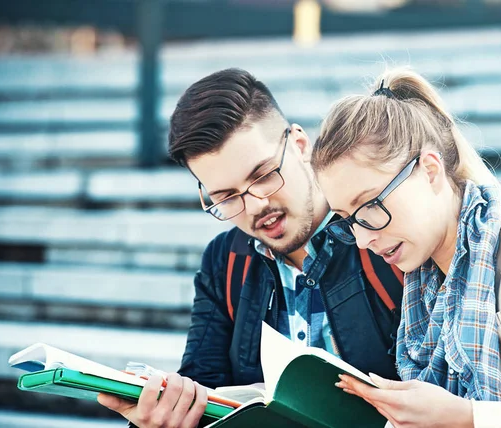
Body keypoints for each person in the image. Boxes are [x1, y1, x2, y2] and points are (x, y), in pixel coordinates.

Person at [98, 68, 403, 428]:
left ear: (301, 145)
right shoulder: (225, 262)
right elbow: (203, 386)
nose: (256, 205)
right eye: (227, 197)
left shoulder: (386, 234)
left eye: (262, 175)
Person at [310, 67, 501, 427]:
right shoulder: (423, 292)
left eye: (370, 208)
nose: (363, 240)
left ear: (429, 170)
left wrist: (467, 417)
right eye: (348, 220)